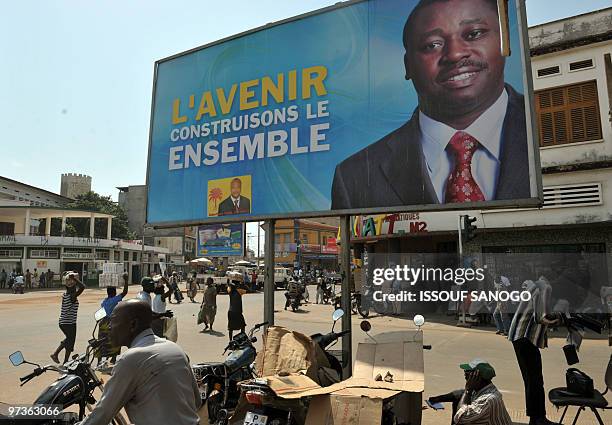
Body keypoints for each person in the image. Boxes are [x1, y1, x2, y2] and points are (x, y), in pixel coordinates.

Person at [331, 0, 529, 209]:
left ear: (504, 42)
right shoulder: (355, 175)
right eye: (432, 45)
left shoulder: (544, 129)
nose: (454, 54)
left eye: (474, 34)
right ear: (408, 66)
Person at [77, 299, 201, 425]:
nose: (109, 327)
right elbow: (197, 401)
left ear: (133, 325)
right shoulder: (175, 349)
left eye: (113, 321)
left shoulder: (130, 359)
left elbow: (102, 415)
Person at [507, 275, 561, 425]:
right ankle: (538, 419)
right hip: (525, 338)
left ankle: (536, 418)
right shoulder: (546, 287)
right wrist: (561, 318)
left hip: (519, 337)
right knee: (535, 380)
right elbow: (542, 317)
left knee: (532, 380)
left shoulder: (536, 285)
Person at [428, 359, 511, 425]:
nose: (464, 375)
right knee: (461, 397)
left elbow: (460, 417)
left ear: (477, 376)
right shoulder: (482, 389)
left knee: (463, 408)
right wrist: (438, 399)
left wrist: (468, 390)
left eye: (467, 372)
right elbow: (459, 394)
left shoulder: (487, 399)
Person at [50, 272, 85, 364]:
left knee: (70, 341)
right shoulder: (72, 296)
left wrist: (73, 279)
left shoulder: (65, 294)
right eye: (74, 286)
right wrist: (75, 279)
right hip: (68, 322)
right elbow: (82, 287)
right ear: (72, 287)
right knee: (69, 339)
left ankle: (65, 360)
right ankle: (55, 354)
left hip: (65, 322)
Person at [97, 273, 129, 364]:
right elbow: (125, 292)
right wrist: (126, 280)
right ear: (114, 293)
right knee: (115, 339)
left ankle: (100, 360)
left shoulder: (104, 301)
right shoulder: (115, 299)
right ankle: (113, 358)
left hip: (103, 323)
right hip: (112, 322)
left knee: (102, 340)